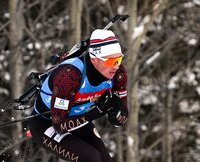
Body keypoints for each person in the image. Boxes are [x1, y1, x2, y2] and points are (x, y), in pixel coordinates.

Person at [28, 29, 129, 162]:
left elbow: (120, 120)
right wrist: (97, 112)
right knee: (91, 158)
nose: (116, 66)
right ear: (94, 59)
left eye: (119, 59)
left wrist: (114, 110)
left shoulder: (118, 73)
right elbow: (59, 126)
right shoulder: (70, 75)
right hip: (47, 123)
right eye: (111, 61)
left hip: (78, 121)